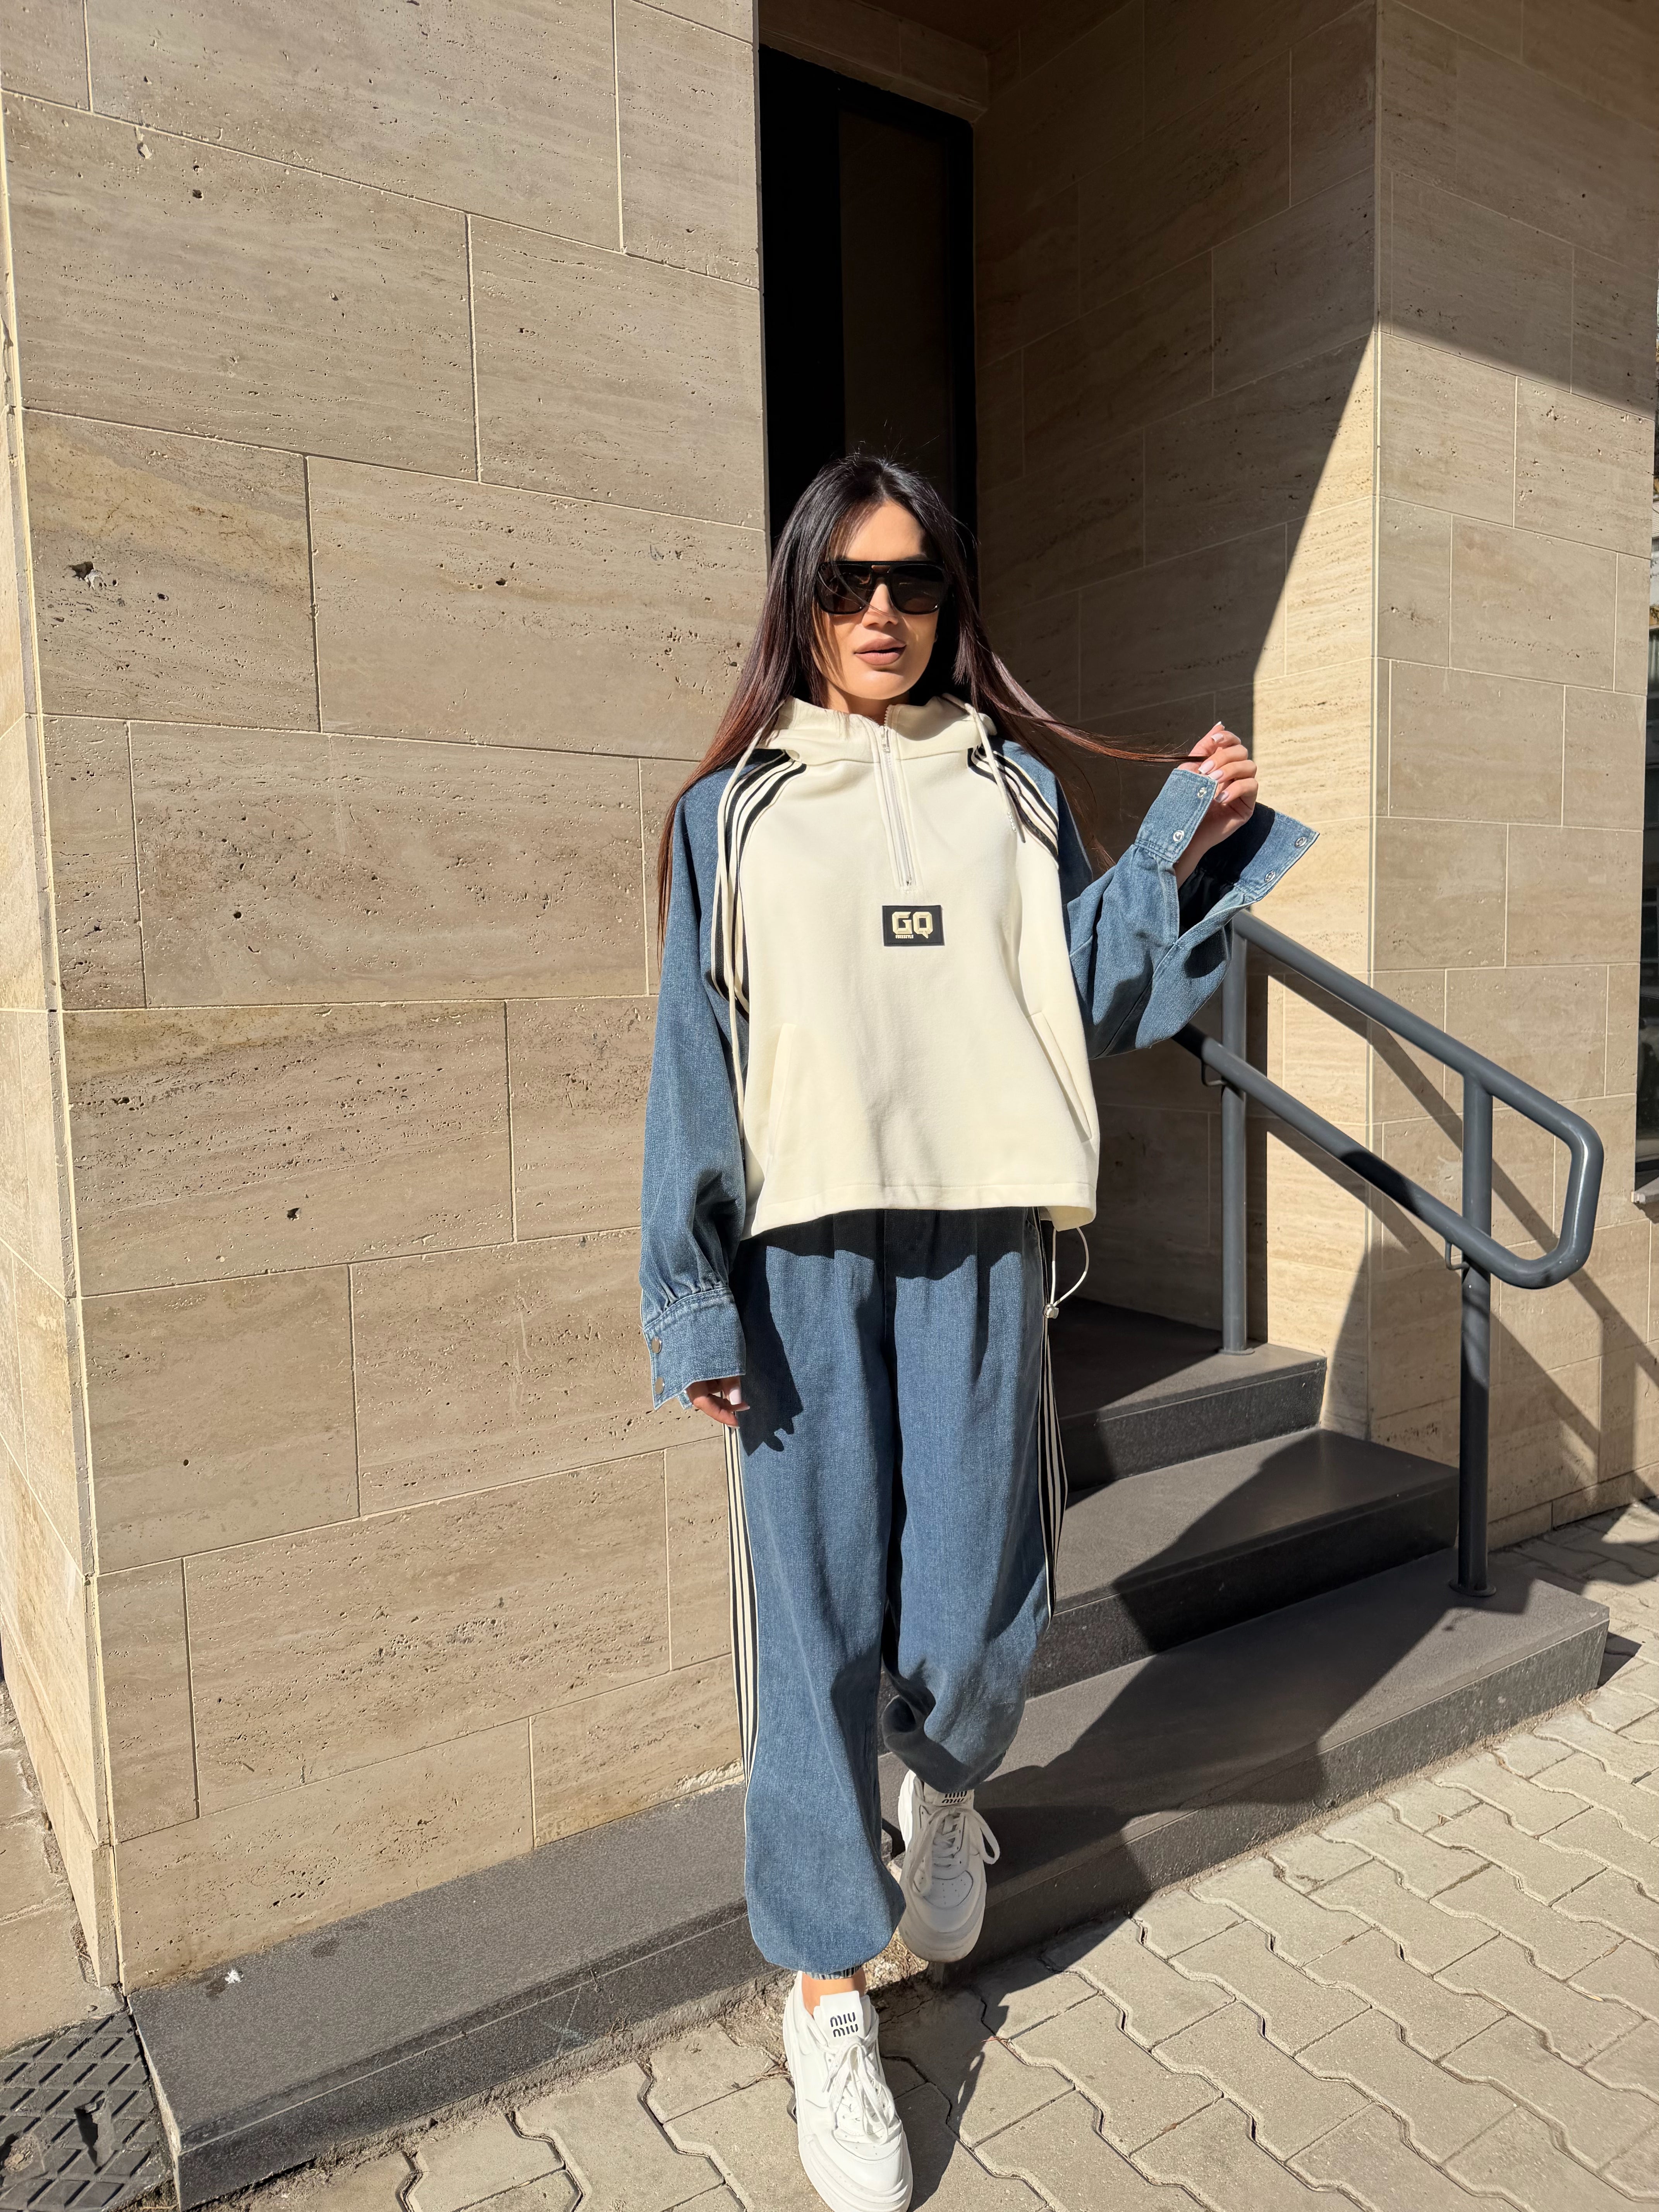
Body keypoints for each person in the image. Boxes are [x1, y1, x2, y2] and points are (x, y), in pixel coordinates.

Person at [640, 452, 1314, 2212]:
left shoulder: (1012, 787)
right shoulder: (732, 814)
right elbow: (694, 1060)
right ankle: (823, 1987)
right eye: (850, 582)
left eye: (915, 581)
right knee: (815, 1616)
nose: (883, 612)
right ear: (802, 595)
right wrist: (690, 1291)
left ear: (952, 599)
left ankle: (944, 1793)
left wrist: (1175, 847)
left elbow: (1089, 988)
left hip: (984, 1234)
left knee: (976, 1590)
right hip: (798, 1252)